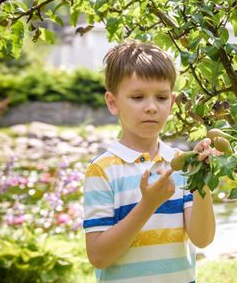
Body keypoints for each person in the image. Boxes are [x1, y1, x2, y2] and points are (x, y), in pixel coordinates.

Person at [83, 39, 216, 282]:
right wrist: (148, 205)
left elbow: (202, 239)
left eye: (161, 98)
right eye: (137, 97)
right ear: (113, 103)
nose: (152, 107)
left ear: (172, 103)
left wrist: (201, 178)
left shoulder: (180, 164)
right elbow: (99, 256)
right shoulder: (102, 170)